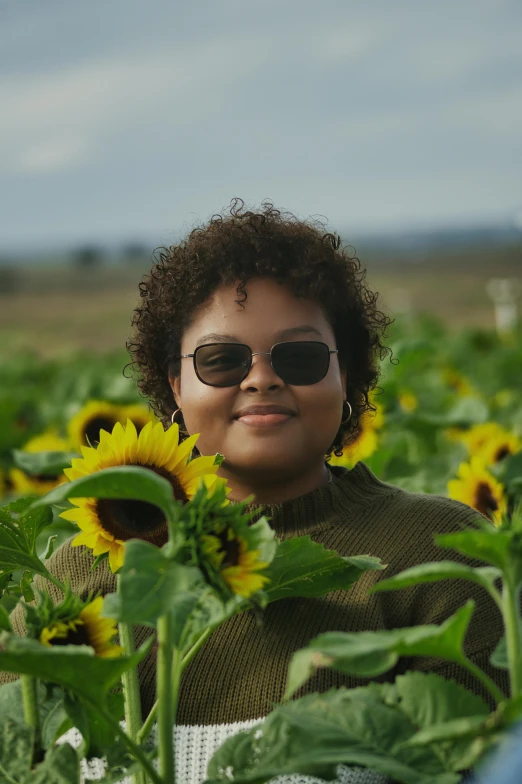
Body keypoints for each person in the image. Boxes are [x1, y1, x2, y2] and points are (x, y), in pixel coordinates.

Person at [1, 200, 507, 782]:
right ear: (175, 385)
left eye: (300, 356)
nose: (261, 377)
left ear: (349, 374)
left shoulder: (438, 551)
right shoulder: (79, 575)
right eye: (221, 360)